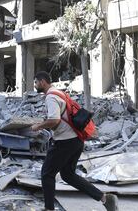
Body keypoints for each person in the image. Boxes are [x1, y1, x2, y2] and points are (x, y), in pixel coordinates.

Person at [31, 71, 118, 211]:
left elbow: (54, 120)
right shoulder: (59, 93)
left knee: (47, 174)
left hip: (65, 141)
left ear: (42, 82)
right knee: (68, 175)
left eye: (35, 82)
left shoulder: (51, 97)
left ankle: (49, 209)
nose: (35, 85)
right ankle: (105, 199)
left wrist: (38, 126)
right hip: (76, 140)